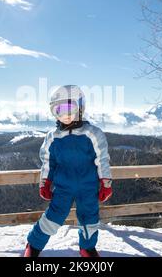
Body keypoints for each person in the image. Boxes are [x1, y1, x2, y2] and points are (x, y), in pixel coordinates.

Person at [23, 85, 113, 257]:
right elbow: (48, 162)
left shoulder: (92, 133)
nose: (64, 115)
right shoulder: (53, 137)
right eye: (58, 111)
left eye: (69, 109)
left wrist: (105, 182)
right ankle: (33, 244)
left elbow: (102, 159)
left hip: (88, 186)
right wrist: (45, 181)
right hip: (63, 186)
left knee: (89, 218)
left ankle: (87, 247)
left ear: (80, 108)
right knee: (53, 217)